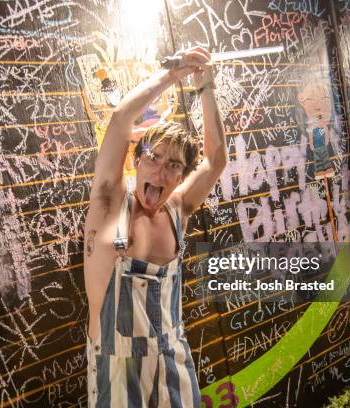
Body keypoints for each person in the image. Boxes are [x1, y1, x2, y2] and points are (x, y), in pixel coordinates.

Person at [84, 46, 226, 407]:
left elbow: (215, 159)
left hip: (173, 364)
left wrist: (206, 87)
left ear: (180, 176)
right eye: (154, 157)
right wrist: (173, 75)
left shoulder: (178, 210)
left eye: (174, 165)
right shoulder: (109, 207)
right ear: (137, 161)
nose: (161, 172)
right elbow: (120, 119)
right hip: (117, 372)